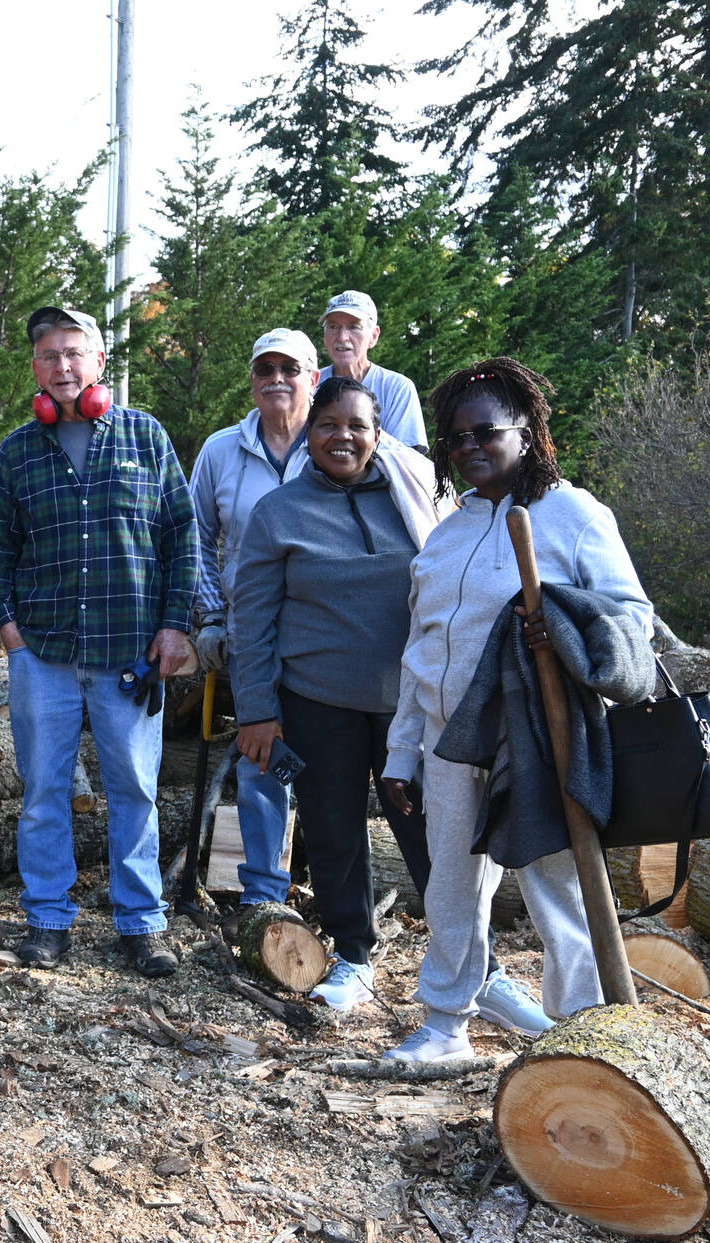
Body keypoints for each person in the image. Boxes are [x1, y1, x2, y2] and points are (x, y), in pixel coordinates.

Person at [380, 358, 655, 1062]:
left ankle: (584, 1038)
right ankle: (445, 1025)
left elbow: (632, 619)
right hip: (448, 744)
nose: (468, 446)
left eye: (485, 432)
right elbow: (422, 652)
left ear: (527, 432)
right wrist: (402, 752)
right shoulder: (447, 532)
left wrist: (562, 629)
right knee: (451, 887)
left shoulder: (572, 514)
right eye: (454, 438)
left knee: (558, 888)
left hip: (537, 740)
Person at [225, 378, 451, 1011]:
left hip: (411, 702)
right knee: (334, 831)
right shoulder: (279, 513)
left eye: (357, 425)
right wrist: (258, 713)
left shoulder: (417, 500)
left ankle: (465, 957)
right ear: (308, 432)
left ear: (378, 435)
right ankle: (353, 953)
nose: (342, 437)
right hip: (317, 702)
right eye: (328, 425)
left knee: (432, 827)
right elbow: (253, 623)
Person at [0, 305, 197, 978]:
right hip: (43, 653)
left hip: (128, 653)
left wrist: (174, 625)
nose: (63, 365)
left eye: (75, 353)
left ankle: (141, 923)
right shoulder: (19, 449)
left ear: (99, 363)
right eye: (50, 355)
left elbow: (181, 538)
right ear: (36, 369)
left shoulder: (145, 437)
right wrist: (9, 629)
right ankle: (47, 918)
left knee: (134, 790)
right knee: (43, 790)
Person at [186, 328, 322, 930]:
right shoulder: (222, 450)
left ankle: (327, 878)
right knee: (263, 756)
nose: (277, 379)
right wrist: (214, 616)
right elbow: (194, 538)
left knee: (328, 757)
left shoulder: (337, 441)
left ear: (312, 378)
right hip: (252, 638)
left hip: (329, 636)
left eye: (289, 369)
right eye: (264, 368)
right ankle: (264, 892)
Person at [320, 290, 425, 450]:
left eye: (354, 327)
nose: (342, 337)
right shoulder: (308, 384)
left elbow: (407, 458)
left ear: (373, 336)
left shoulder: (397, 388)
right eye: (333, 326)